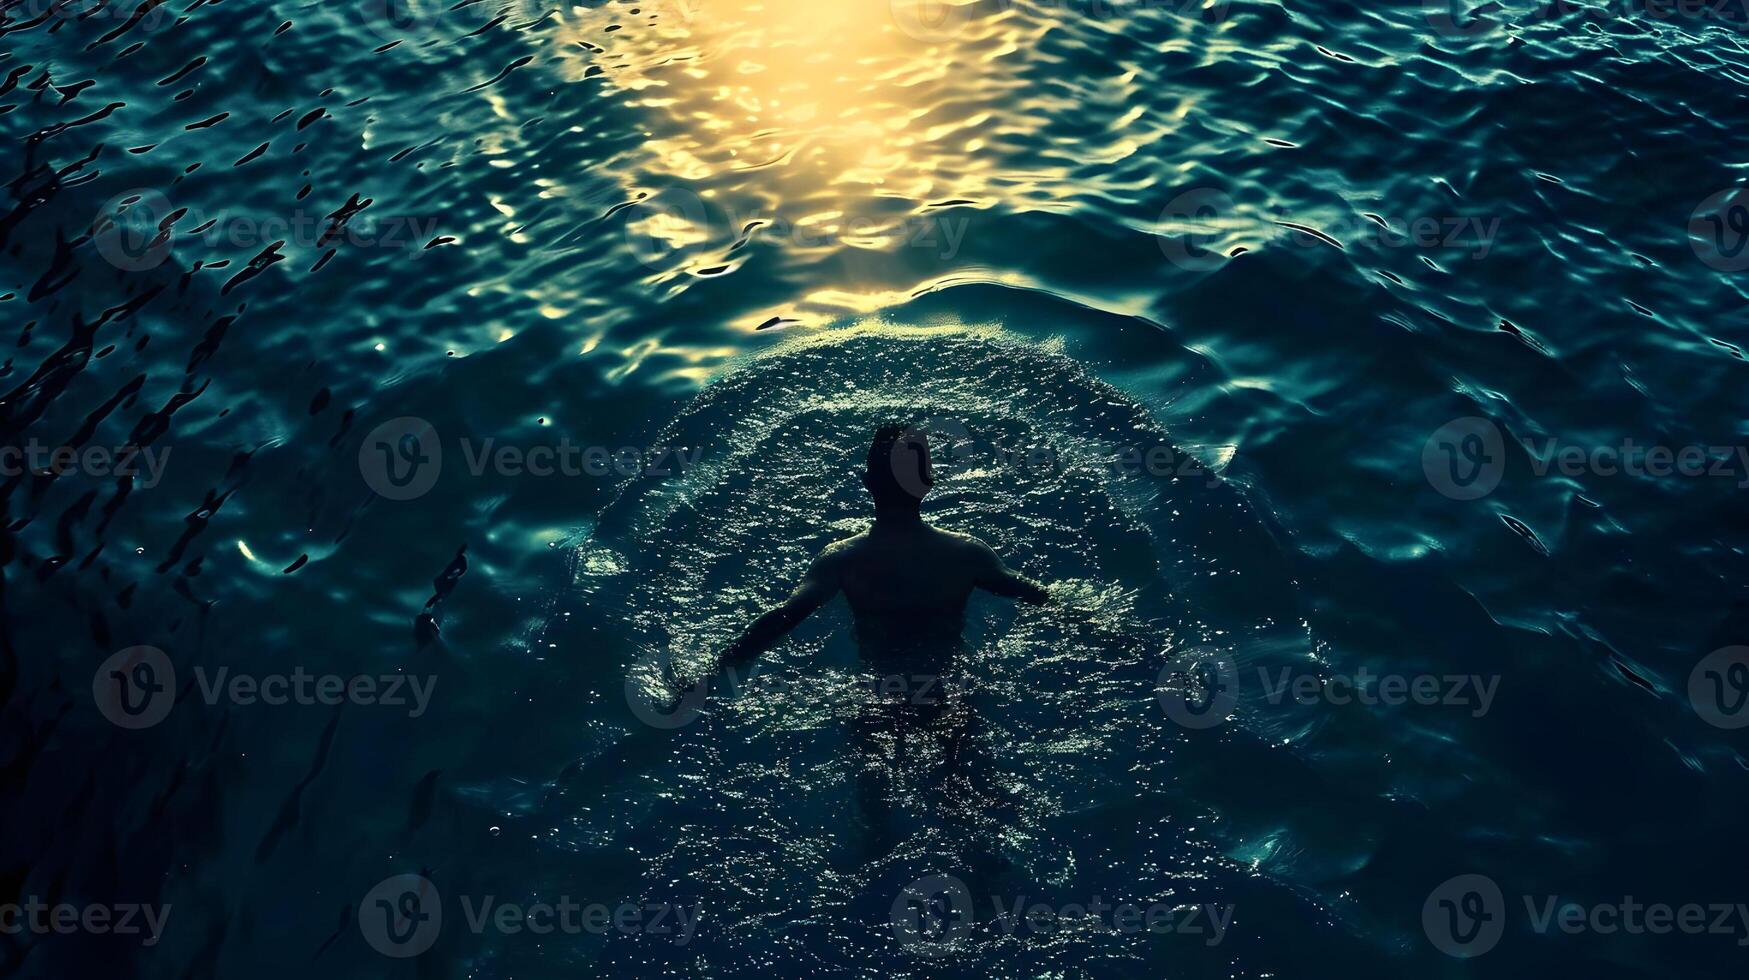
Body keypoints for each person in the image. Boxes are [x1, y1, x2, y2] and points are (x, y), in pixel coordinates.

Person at [709, 424, 1050, 677]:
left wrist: (718, 669)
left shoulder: (843, 558)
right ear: (929, 482)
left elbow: (784, 616)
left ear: (866, 482)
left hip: (879, 687)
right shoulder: (967, 553)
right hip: (949, 684)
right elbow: (1041, 599)